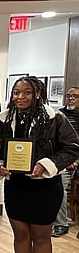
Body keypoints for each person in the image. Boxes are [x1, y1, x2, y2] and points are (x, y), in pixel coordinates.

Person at [0, 76, 79, 253]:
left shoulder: (55, 118)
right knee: (20, 235)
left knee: (41, 237)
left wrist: (45, 164)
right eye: (16, 93)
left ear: (38, 94)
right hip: (16, 186)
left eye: (27, 93)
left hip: (45, 187)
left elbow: (72, 148)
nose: (20, 97)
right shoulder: (4, 120)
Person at [51, 86, 79, 237]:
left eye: (75, 96)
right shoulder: (59, 115)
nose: (71, 98)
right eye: (68, 95)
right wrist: (68, 159)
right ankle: (61, 224)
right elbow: (56, 142)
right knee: (58, 187)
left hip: (76, 158)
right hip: (66, 159)